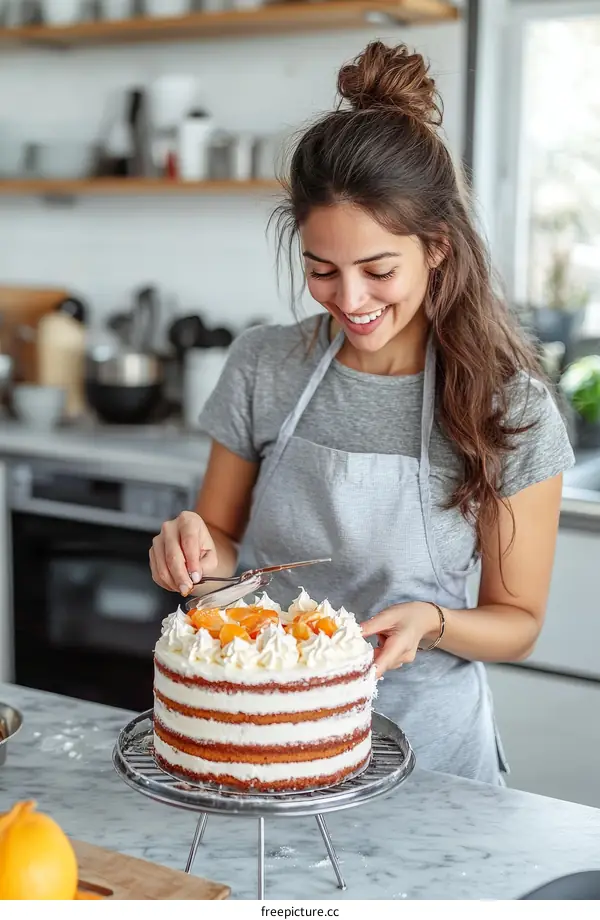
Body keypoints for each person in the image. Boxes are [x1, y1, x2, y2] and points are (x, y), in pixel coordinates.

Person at [149, 41, 574, 785]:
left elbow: (518, 621)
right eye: (322, 270)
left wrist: (433, 623)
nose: (350, 300)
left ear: (438, 248)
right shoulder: (264, 365)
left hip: (432, 757)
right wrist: (191, 548)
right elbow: (219, 552)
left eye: (379, 270)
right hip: (262, 740)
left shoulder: (507, 408)